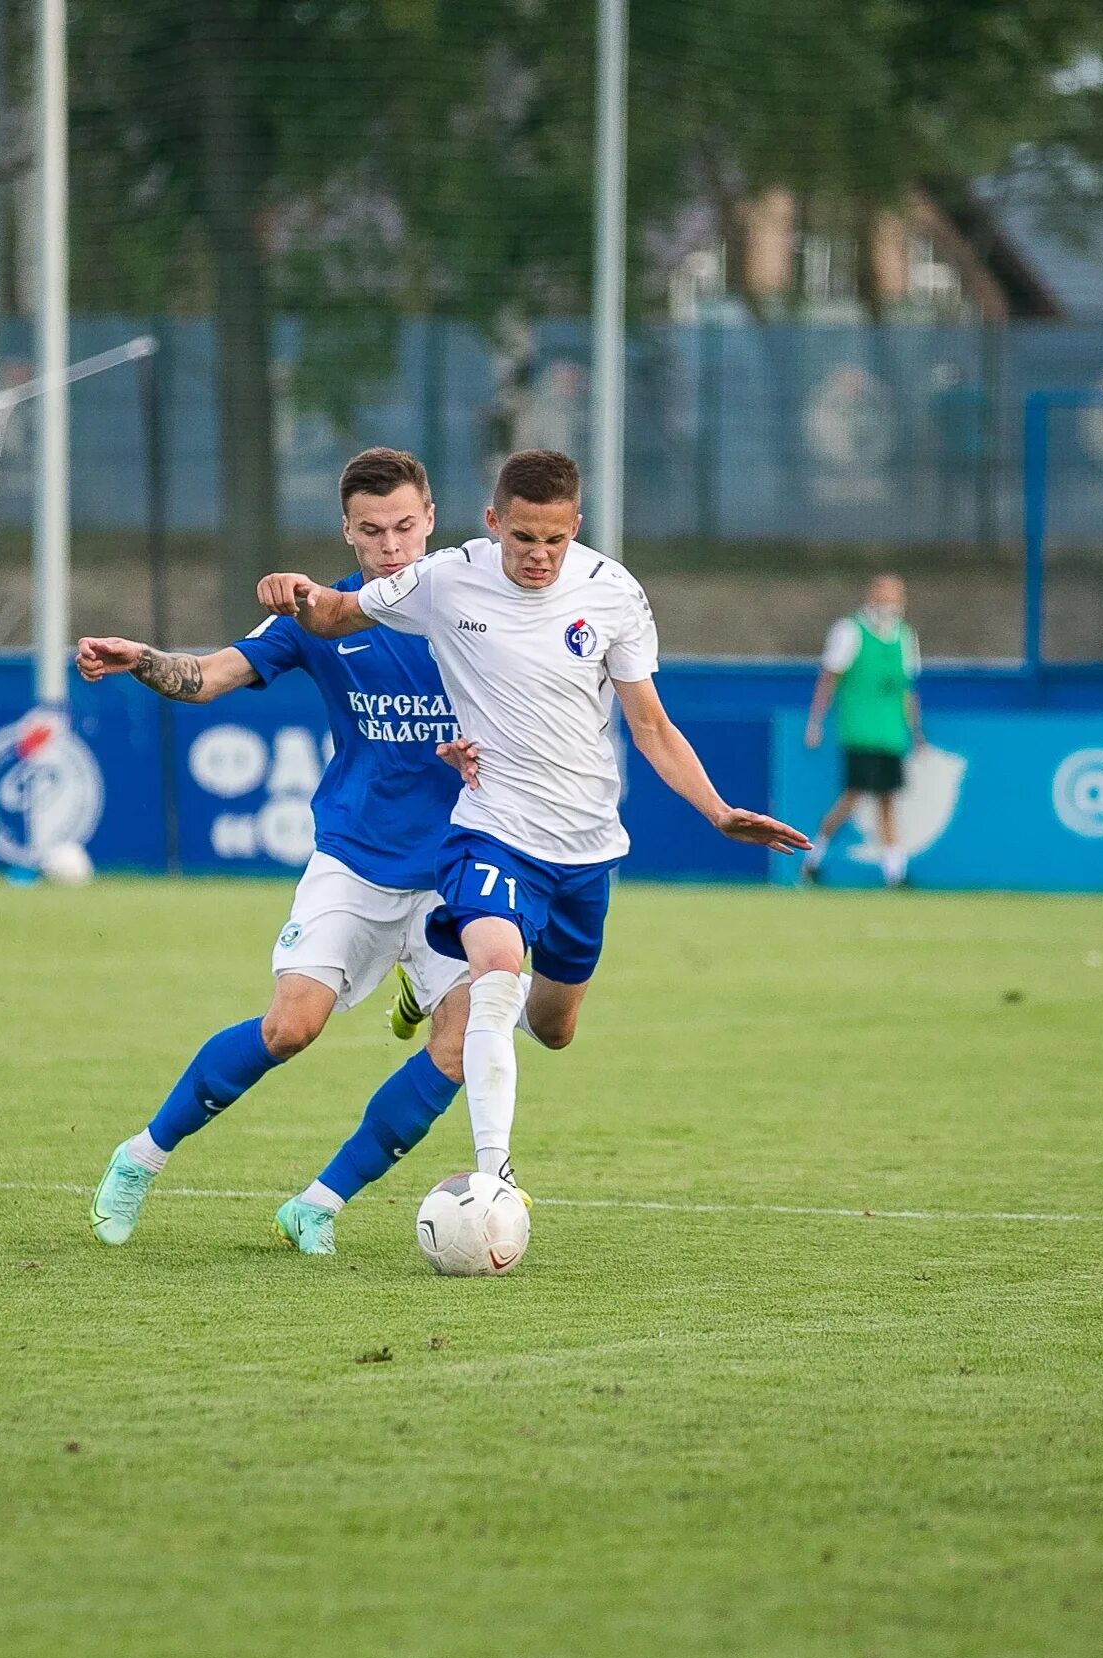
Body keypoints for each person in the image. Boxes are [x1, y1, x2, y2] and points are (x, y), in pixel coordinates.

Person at [256, 449, 811, 1192]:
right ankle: (494, 1179)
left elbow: (650, 726)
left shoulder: (613, 592)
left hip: (584, 846)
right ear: (494, 523)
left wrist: (715, 811)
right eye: (523, 538)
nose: (539, 555)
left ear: (575, 527)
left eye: (555, 539)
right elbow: (333, 614)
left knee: (552, 1027)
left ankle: (431, 992)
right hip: (492, 829)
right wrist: (296, 593)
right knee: (493, 974)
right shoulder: (447, 576)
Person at [76, 448, 478, 1256]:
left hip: (460, 867)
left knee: (464, 1045)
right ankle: (139, 1158)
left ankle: (318, 1204)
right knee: (291, 1029)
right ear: (347, 531)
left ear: (431, 520)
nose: (392, 546)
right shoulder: (316, 616)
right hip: (357, 861)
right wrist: (140, 662)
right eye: (372, 532)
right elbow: (208, 675)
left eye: (405, 527)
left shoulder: (478, 608)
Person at [800, 574, 924, 887]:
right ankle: (812, 859)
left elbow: (906, 689)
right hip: (859, 731)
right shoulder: (850, 630)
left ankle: (895, 874)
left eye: (895, 597)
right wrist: (815, 722)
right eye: (884, 595)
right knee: (852, 797)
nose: (890, 603)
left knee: (887, 800)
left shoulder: (904, 636)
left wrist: (916, 732)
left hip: (890, 734)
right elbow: (829, 678)